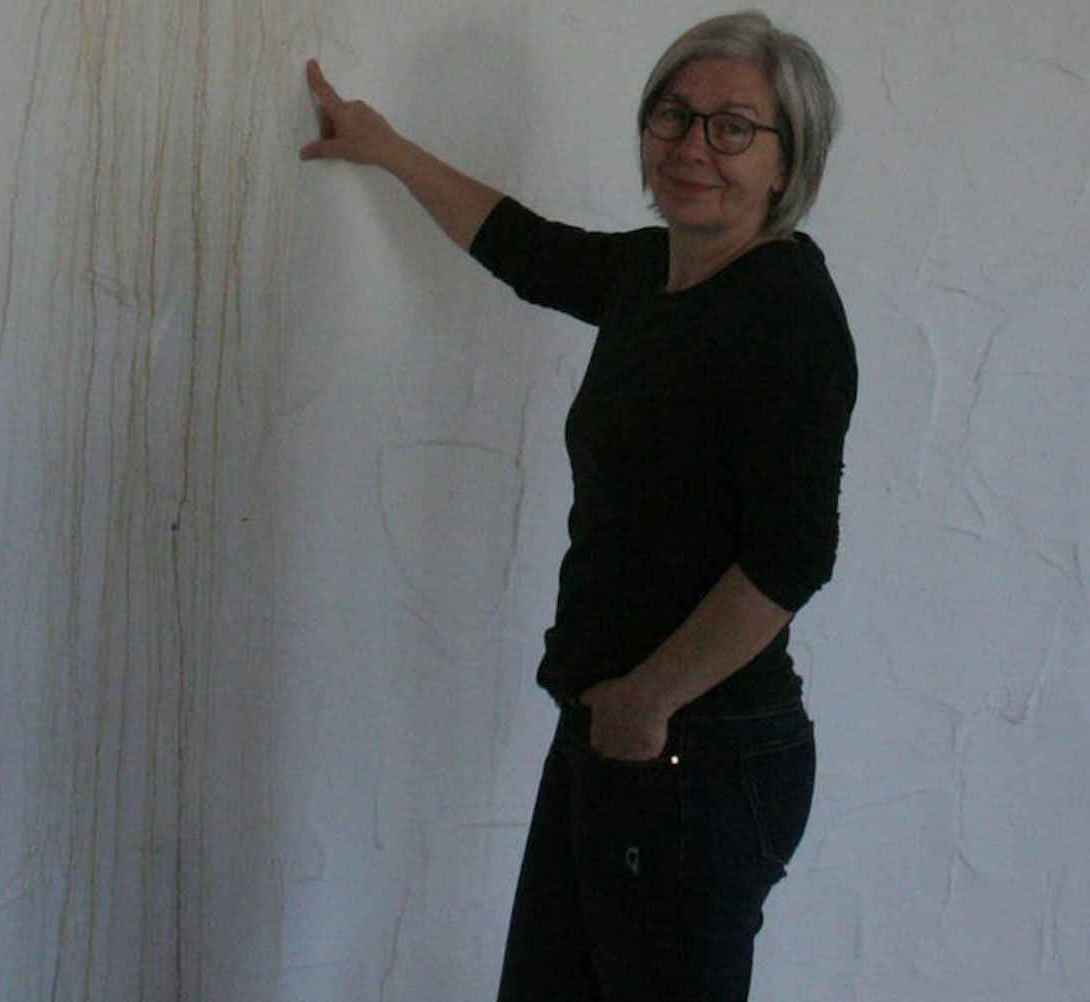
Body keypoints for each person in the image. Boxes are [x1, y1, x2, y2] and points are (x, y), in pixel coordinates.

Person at [301, 11, 854, 1001]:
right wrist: (385, 147)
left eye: (732, 128)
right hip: (614, 733)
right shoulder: (654, 276)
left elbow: (791, 557)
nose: (691, 146)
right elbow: (525, 248)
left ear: (786, 163)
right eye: (671, 115)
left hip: (699, 749)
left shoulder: (785, 312)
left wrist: (650, 701)